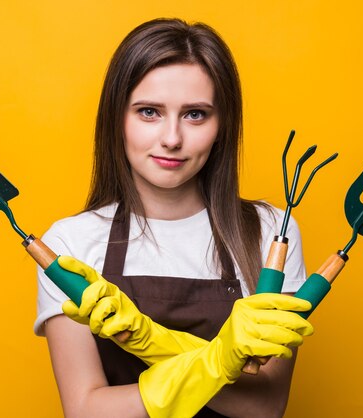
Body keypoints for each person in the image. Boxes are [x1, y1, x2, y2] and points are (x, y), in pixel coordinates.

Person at [34, 18, 314, 418]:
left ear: (222, 126)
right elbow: (86, 410)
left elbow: (264, 406)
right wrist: (217, 362)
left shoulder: (270, 233)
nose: (172, 138)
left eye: (195, 115)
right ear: (117, 119)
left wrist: (151, 340)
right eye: (149, 112)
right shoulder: (69, 245)